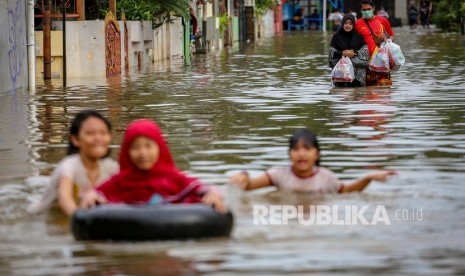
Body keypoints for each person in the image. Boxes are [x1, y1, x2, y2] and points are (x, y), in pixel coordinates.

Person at [81, 119, 227, 213]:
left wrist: (213, 193)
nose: (142, 153)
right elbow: (97, 192)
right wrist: (90, 194)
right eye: (135, 147)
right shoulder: (121, 181)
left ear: (160, 148)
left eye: (148, 146)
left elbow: (201, 188)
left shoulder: (172, 177)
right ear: (127, 152)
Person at [229, 129, 397, 194]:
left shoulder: (326, 178)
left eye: (307, 149)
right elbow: (249, 186)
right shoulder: (279, 175)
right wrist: (242, 175)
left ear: (317, 154)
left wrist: (367, 178)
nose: (301, 154)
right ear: (289, 154)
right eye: (296, 149)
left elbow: (348, 190)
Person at [27, 110, 119, 216]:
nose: (98, 138)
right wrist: (80, 220)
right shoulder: (69, 166)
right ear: (76, 139)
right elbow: (64, 199)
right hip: (45, 215)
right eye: (90, 133)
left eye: (103, 133)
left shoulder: (112, 167)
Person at [355, 0, 394, 86]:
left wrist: (387, 41)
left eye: (368, 9)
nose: (366, 12)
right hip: (366, 62)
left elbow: (391, 36)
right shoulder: (357, 24)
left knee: (385, 90)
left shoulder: (383, 20)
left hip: (382, 61)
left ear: (373, 8)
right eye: (364, 10)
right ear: (361, 10)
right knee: (369, 91)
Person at [329, 14, 369, 87]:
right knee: (342, 95)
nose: (348, 25)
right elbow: (331, 54)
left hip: (357, 77)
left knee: (357, 94)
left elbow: (366, 53)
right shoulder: (336, 37)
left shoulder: (358, 36)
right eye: (346, 23)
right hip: (341, 76)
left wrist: (353, 53)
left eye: (350, 23)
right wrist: (343, 53)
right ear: (342, 24)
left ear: (353, 25)